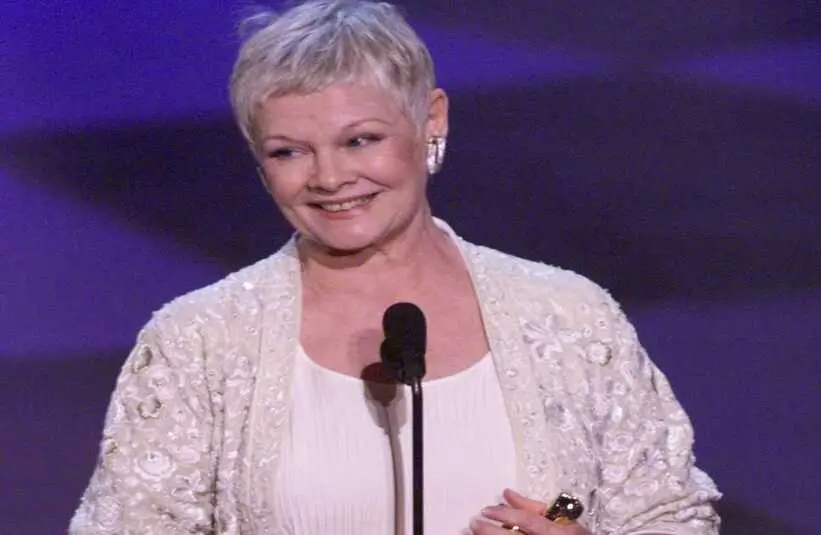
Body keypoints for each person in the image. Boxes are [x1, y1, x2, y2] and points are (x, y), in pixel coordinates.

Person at [69, 1, 721, 534]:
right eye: (290, 150)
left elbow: (666, 515)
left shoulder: (569, 316)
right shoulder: (200, 340)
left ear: (429, 120)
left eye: (360, 140)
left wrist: (579, 533)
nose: (329, 178)